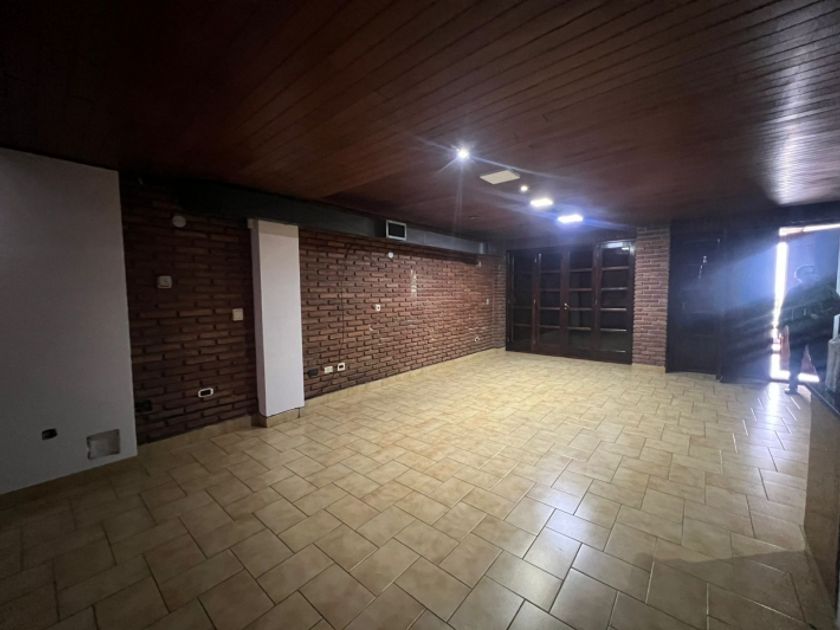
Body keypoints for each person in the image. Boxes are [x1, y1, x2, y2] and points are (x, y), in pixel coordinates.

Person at [779, 264, 840, 394]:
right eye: (806, 274)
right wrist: (781, 326)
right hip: (797, 330)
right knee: (795, 358)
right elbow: (784, 310)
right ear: (799, 278)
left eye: (812, 273)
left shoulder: (825, 290)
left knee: (819, 359)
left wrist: (821, 315)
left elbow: (838, 306)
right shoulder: (793, 292)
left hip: (817, 331)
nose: (810, 276)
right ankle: (792, 385)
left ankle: (824, 386)